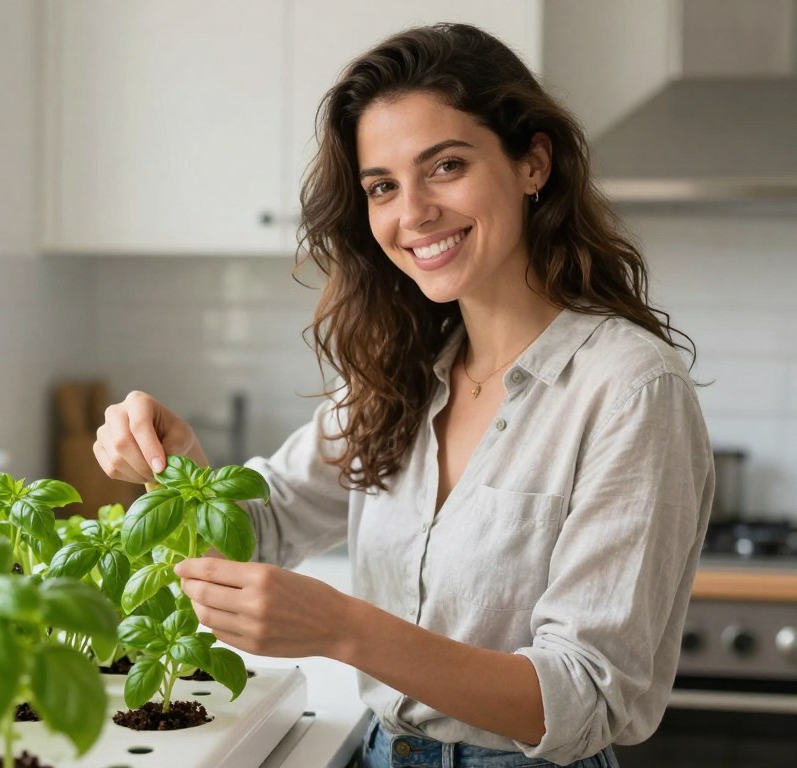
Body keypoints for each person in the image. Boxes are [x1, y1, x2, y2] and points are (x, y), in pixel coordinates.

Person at [94, 22, 714, 768]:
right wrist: (181, 465)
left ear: (532, 164)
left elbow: (585, 697)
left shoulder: (630, 389)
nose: (411, 212)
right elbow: (267, 525)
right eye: (382, 186)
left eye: (445, 166)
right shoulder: (399, 370)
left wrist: (346, 629)